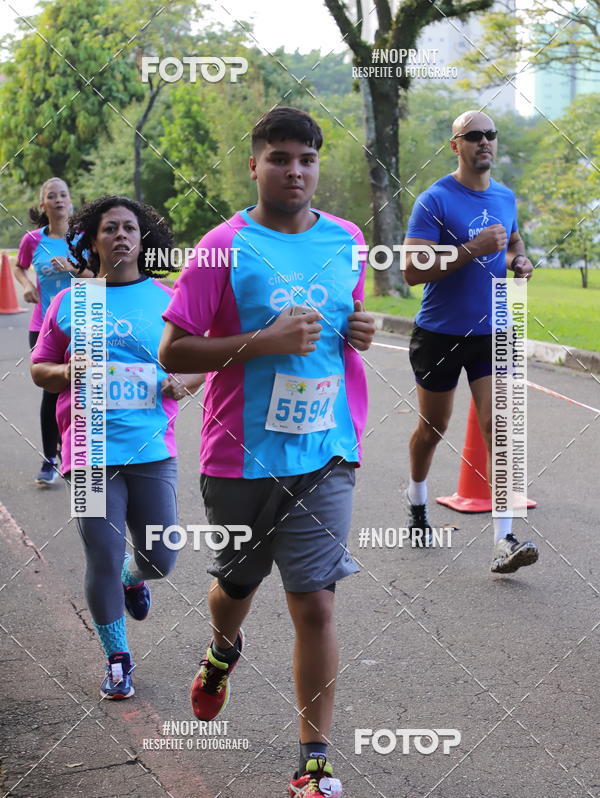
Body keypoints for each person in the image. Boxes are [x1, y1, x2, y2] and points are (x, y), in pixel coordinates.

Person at [159, 107, 375, 797]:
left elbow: (341, 326)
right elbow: (176, 349)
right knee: (236, 585)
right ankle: (223, 649)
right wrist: (263, 342)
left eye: (307, 158)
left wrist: (359, 329)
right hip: (239, 455)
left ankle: (313, 761)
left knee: (315, 603)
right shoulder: (222, 245)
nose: (295, 170)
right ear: (253, 165)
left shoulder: (347, 240)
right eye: (280, 157)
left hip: (325, 451)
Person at [30, 196, 203, 699]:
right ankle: (117, 658)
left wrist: (183, 382)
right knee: (101, 553)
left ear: (142, 240)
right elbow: (40, 368)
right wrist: (69, 372)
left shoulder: (168, 301)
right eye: (110, 228)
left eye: (130, 228)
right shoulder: (71, 303)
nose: (122, 236)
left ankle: (136, 575)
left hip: (152, 448)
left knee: (162, 556)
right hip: (88, 450)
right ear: (94, 240)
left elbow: (198, 363)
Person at [402, 109, 539, 574]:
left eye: (491, 135)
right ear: (455, 145)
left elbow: (515, 242)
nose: (485, 142)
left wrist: (520, 262)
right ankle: (417, 499)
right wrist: (470, 250)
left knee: (499, 430)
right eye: (474, 135)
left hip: (493, 331)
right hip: (439, 333)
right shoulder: (434, 199)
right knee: (432, 429)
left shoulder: (505, 196)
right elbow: (412, 269)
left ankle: (504, 540)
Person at [13, 177, 93, 486]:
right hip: (44, 326)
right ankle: (50, 458)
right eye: (51, 196)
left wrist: (75, 269)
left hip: (85, 323)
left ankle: (82, 454)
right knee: (52, 390)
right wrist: (27, 286)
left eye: (63, 195)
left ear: (70, 201)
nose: (58, 200)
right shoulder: (32, 240)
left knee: (85, 388)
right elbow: (19, 267)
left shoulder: (85, 238)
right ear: (43, 204)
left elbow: (100, 276)